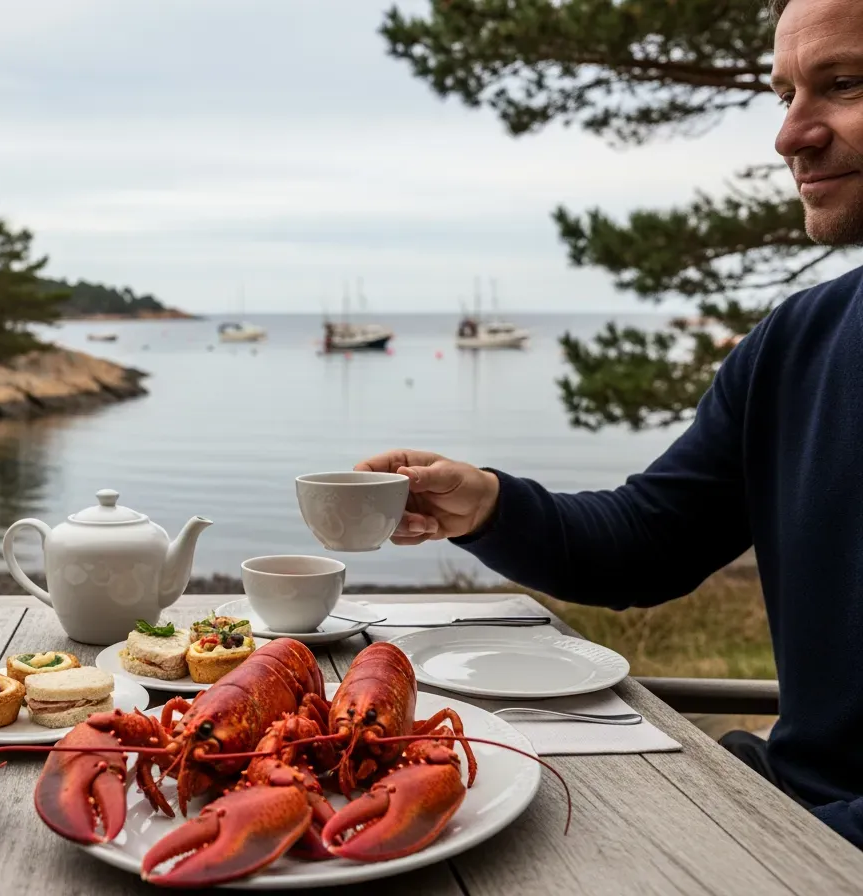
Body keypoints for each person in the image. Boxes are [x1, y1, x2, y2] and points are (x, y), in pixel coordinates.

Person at [356, 0, 863, 849]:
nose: (790, 137)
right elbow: (647, 542)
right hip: (788, 808)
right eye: (783, 95)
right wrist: (485, 505)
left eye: (843, 84)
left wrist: (790, 848)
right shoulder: (796, 343)